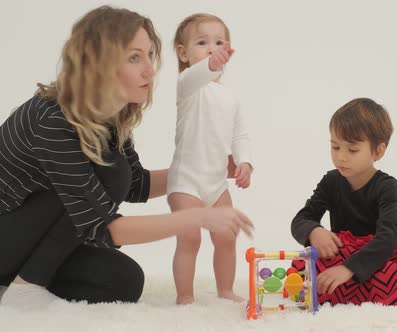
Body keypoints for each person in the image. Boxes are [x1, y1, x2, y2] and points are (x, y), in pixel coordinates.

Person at [0, 6, 253, 308]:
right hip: (8, 231)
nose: (149, 69)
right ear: (99, 65)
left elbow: (136, 185)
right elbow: (104, 226)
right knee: (102, 175)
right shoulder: (52, 121)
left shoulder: (109, 114)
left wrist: (204, 171)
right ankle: (25, 288)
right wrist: (198, 217)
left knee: (122, 280)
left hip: (39, 241)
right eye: (135, 57)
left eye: (148, 55)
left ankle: (17, 279)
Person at [291, 98, 397, 306]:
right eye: (335, 147)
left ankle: (356, 290)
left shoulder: (386, 186)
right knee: (303, 273)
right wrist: (314, 230)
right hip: (343, 250)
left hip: (382, 253)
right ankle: (348, 290)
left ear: (378, 151)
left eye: (352, 150)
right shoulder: (330, 181)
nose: (341, 157)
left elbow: (389, 237)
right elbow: (302, 218)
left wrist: (348, 268)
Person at [167, 13, 253, 305]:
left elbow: (240, 135)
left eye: (219, 43)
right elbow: (196, 74)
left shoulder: (230, 98)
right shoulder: (188, 86)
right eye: (202, 42)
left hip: (216, 183)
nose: (212, 48)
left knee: (227, 237)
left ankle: (226, 290)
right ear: (183, 52)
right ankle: (185, 296)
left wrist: (245, 162)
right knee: (190, 237)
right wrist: (210, 64)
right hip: (186, 181)